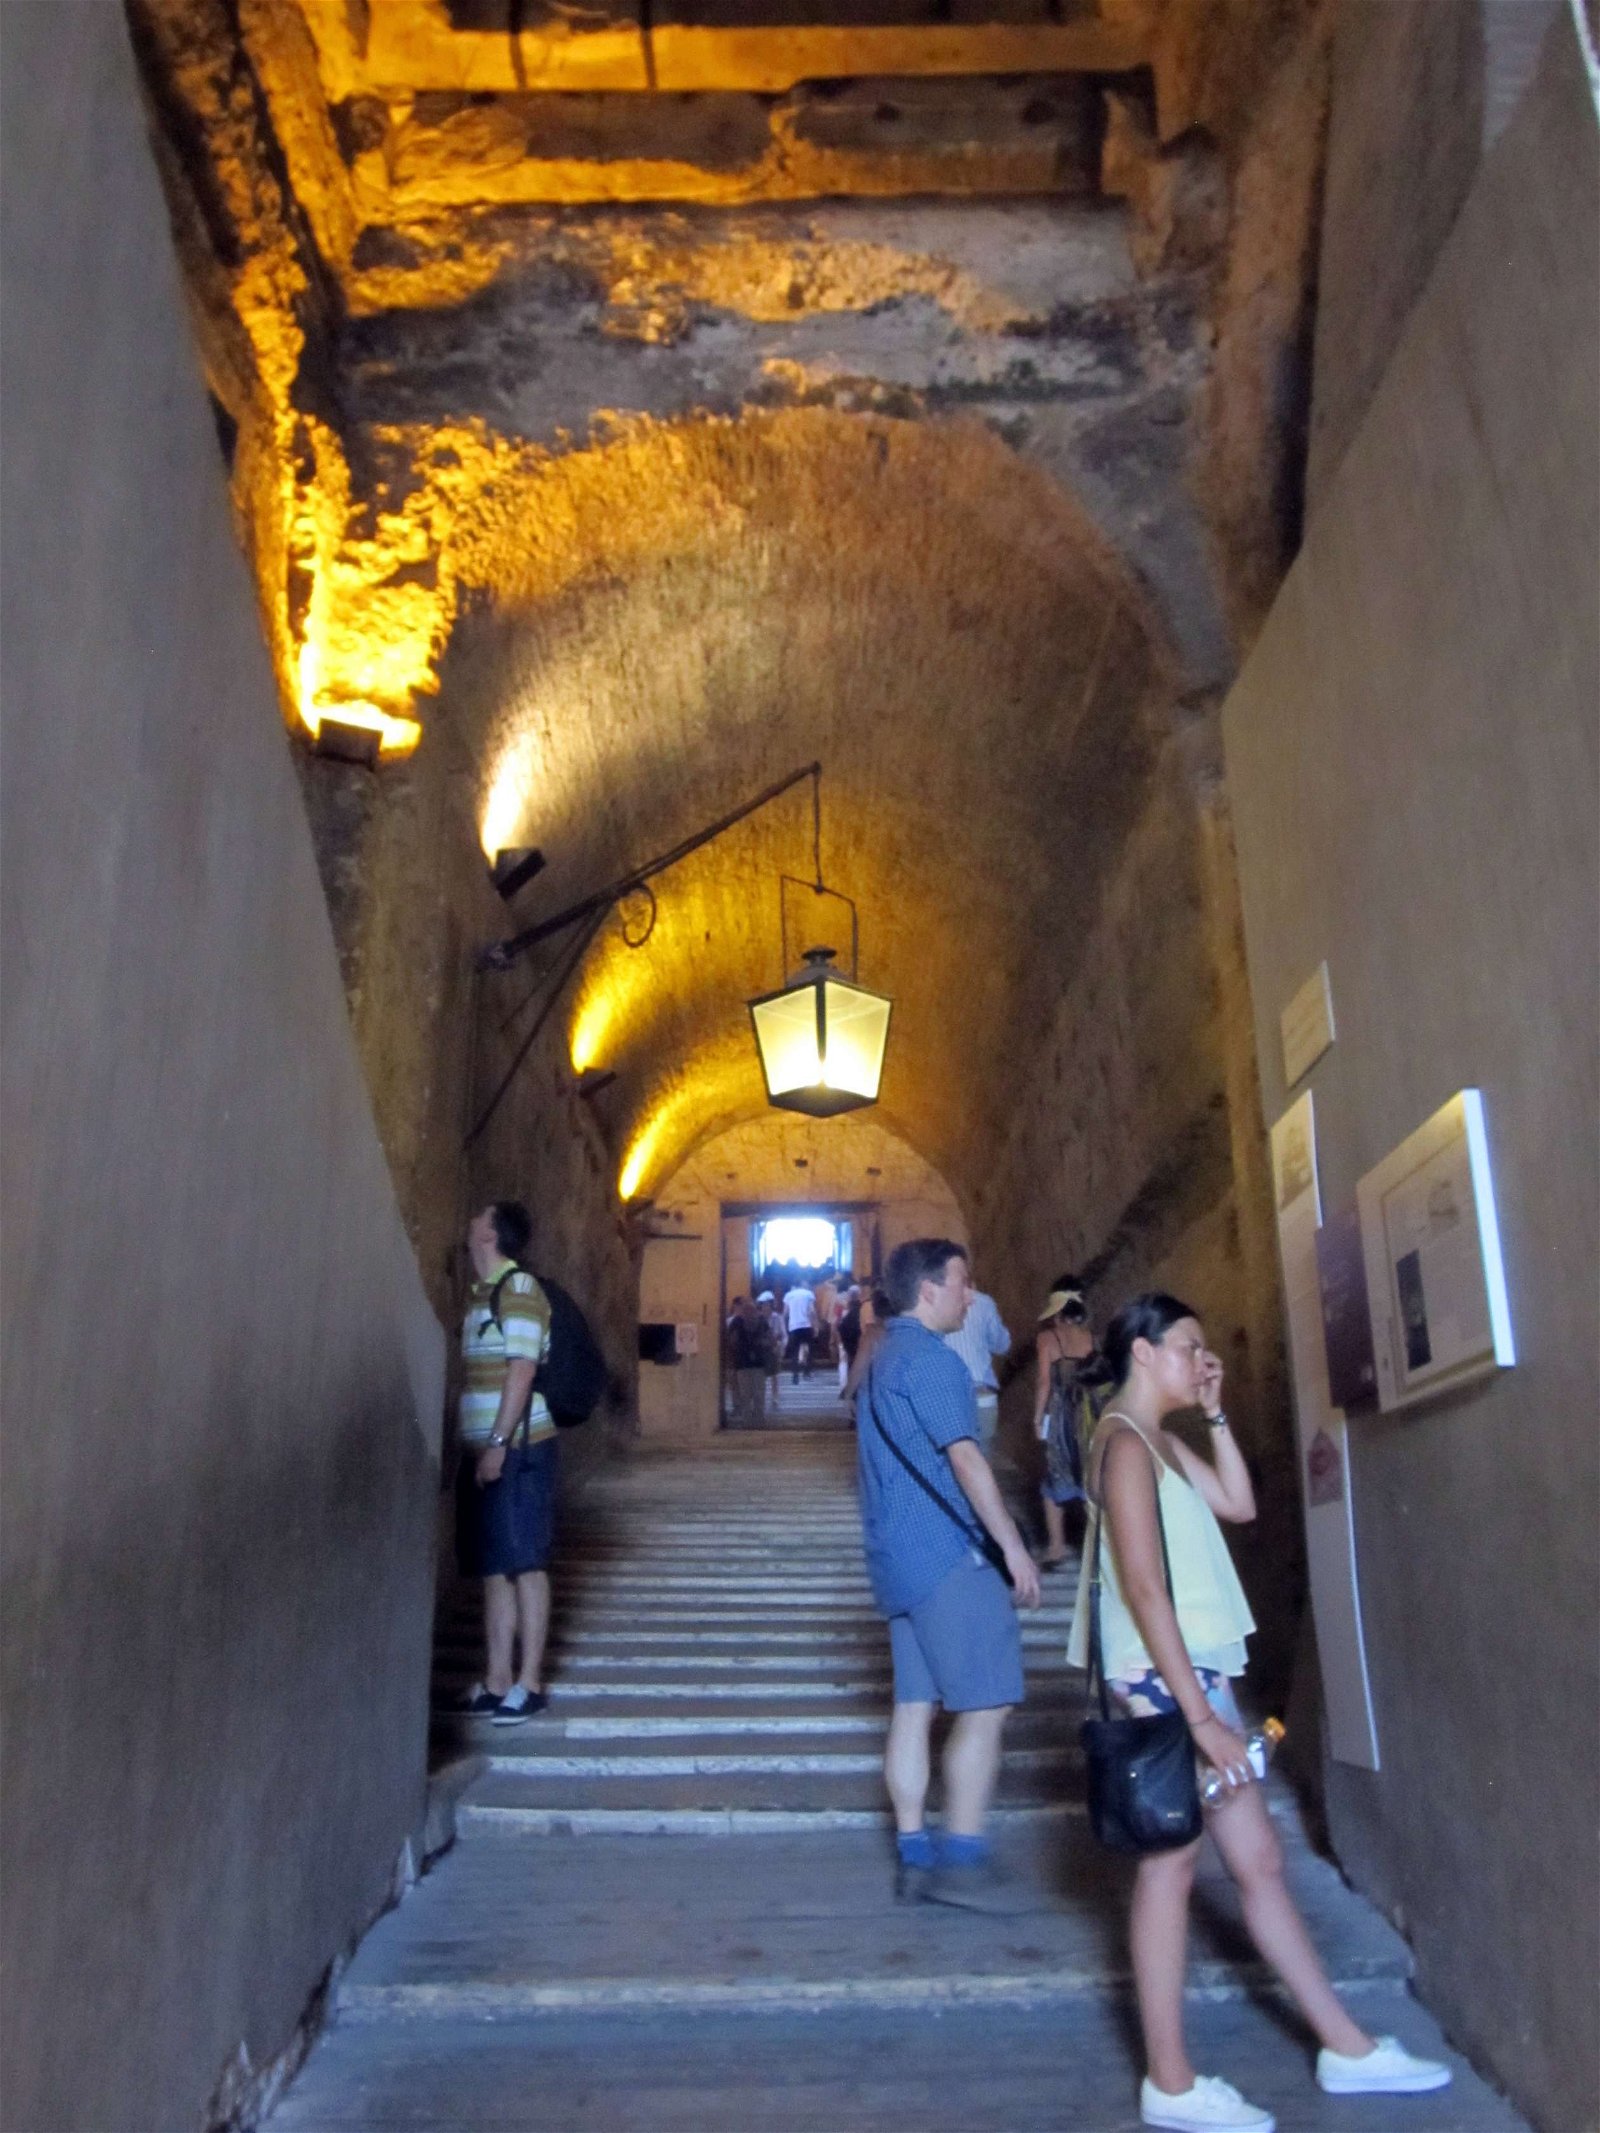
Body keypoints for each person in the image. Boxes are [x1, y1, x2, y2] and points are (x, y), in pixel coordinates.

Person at [1069, 1292, 1450, 2131]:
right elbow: (1141, 1585)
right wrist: (1202, 1717)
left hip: (1201, 1674)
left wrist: (1214, 1412)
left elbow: (1238, 1503)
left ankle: (1345, 2046)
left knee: (1260, 1860)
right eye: (1189, 1347)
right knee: (1171, 1868)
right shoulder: (1121, 1443)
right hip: (1170, 1684)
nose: (1202, 1357)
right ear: (1143, 1351)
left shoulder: (1162, 1440)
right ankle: (1169, 2082)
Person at [855, 1239, 1042, 1908]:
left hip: (895, 1556)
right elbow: (965, 1460)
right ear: (929, 1290)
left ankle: (912, 1849)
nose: (971, 1294)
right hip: (945, 1552)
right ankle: (961, 1859)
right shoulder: (933, 1361)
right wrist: (1013, 1546)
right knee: (987, 1703)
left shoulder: (880, 1358)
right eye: (963, 1282)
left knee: (913, 1705)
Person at [453, 1200, 558, 1727]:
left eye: (479, 1216)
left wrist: (497, 1443)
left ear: (490, 1233)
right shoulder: (482, 1295)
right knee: (495, 1566)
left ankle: (530, 1681)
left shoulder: (517, 1291)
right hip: (486, 1451)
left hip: (518, 1448)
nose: (470, 1222)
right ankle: (497, 1679)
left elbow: (521, 1370)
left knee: (525, 1563)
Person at [1031, 1277, 1101, 1567]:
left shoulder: (1048, 1339)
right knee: (1091, 1476)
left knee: (1053, 1480)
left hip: (1061, 1416)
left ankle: (1057, 1547)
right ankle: (1096, 1548)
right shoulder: (1092, 1338)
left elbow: (1045, 1382)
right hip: (1090, 1413)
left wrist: (1037, 1417)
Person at [942, 1283, 1011, 1448]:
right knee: (981, 1455)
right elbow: (1002, 1344)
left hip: (947, 1393)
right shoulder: (984, 1302)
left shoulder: (935, 1303)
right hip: (981, 1394)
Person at [727, 1294, 770, 1428]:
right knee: (754, 1393)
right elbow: (770, 1339)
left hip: (746, 1362)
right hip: (749, 1362)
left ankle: (751, 1421)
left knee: (749, 1393)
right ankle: (757, 1420)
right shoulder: (758, 1321)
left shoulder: (737, 1321)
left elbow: (732, 1341)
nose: (748, 1311)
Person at [782, 1277, 817, 1382]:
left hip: (794, 1326)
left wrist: (785, 1325)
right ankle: (807, 1372)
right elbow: (811, 1311)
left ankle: (795, 1375)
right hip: (806, 1325)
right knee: (810, 1350)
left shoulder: (788, 1295)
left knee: (794, 1351)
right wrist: (816, 1325)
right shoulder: (808, 1294)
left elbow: (785, 1313)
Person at [760, 1292, 785, 1411]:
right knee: (762, 1375)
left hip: (774, 1349)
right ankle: (762, 1395)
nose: (765, 1308)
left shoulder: (777, 1318)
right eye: (763, 1305)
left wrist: (781, 1348)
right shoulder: (759, 1319)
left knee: (774, 1375)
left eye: (767, 1305)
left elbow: (783, 1334)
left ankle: (775, 1396)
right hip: (763, 1349)